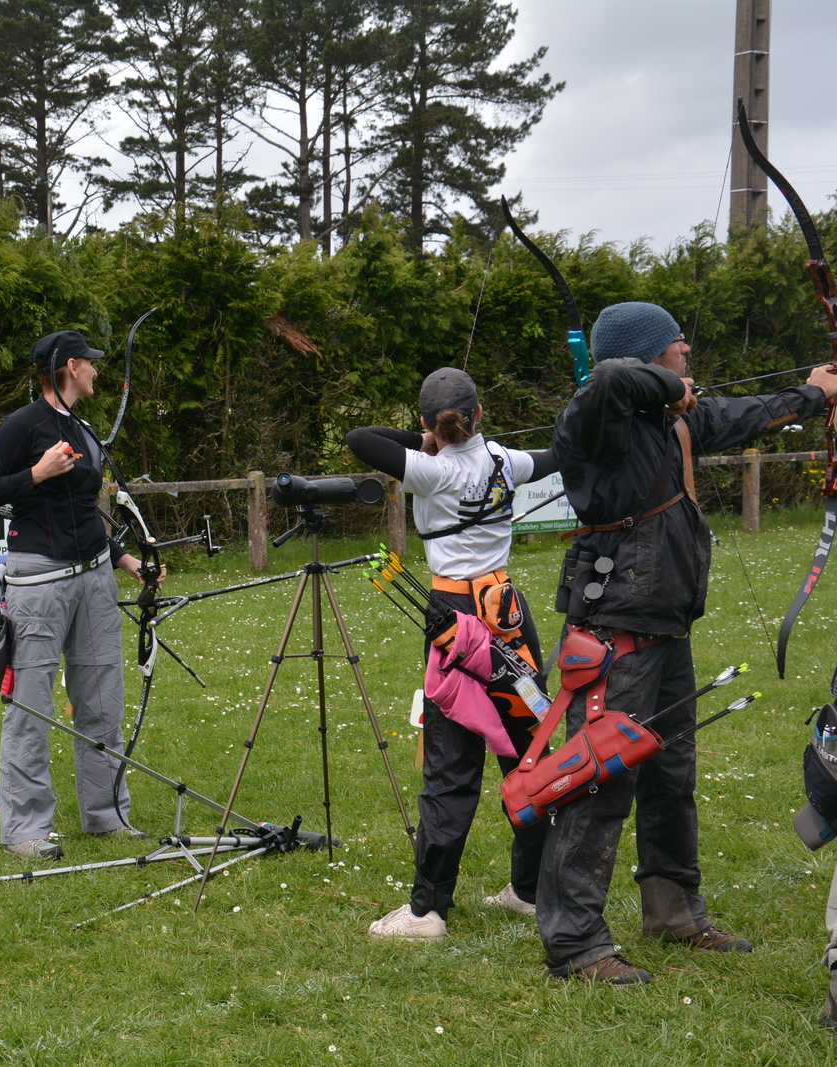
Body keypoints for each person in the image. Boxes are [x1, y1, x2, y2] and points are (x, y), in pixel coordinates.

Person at [541, 301, 837, 983]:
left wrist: (812, 394)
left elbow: (738, 415)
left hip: (666, 628)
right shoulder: (598, 415)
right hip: (615, 630)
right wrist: (670, 386)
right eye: (676, 342)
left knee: (672, 778)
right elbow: (610, 376)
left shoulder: (670, 422)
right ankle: (574, 941)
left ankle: (673, 913)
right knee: (598, 779)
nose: (687, 349)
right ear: (650, 354)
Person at [347, 367, 558, 940]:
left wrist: (424, 440)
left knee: (450, 763)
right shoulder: (505, 460)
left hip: (454, 622)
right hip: (507, 615)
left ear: (426, 421)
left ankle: (428, 912)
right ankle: (532, 890)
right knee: (529, 750)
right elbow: (558, 454)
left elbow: (361, 439)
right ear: (479, 414)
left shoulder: (430, 469)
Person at [0, 330, 154, 861]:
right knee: (31, 706)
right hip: (39, 582)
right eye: (90, 363)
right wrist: (35, 473)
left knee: (102, 701)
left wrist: (125, 560)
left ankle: (107, 816)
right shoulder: (22, 425)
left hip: (94, 578)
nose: (96, 371)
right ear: (71, 366)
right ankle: (25, 830)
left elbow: (82, 509)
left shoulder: (82, 427)